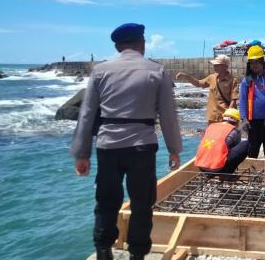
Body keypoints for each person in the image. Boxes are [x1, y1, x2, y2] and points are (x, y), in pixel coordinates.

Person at [70, 23, 183, 260]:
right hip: (142, 147)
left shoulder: (100, 71)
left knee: (106, 201)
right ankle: (137, 254)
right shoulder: (157, 71)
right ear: (141, 44)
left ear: (118, 46)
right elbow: (168, 115)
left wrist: (82, 154)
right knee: (142, 204)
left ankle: (103, 250)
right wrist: (174, 150)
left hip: (108, 146)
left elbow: (87, 114)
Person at [175, 54, 239, 125]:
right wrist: (186, 76)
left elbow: (234, 100)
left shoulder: (233, 80)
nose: (214, 66)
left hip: (225, 118)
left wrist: (228, 116)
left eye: (217, 65)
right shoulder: (212, 78)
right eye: (214, 65)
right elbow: (198, 83)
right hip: (212, 117)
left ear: (225, 66)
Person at [195, 108, 249, 174]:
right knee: (247, 144)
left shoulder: (210, 127)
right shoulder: (234, 131)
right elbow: (235, 149)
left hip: (201, 167)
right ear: (237, 122)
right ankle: (229, 172)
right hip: (218, 169)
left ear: (223, 118)